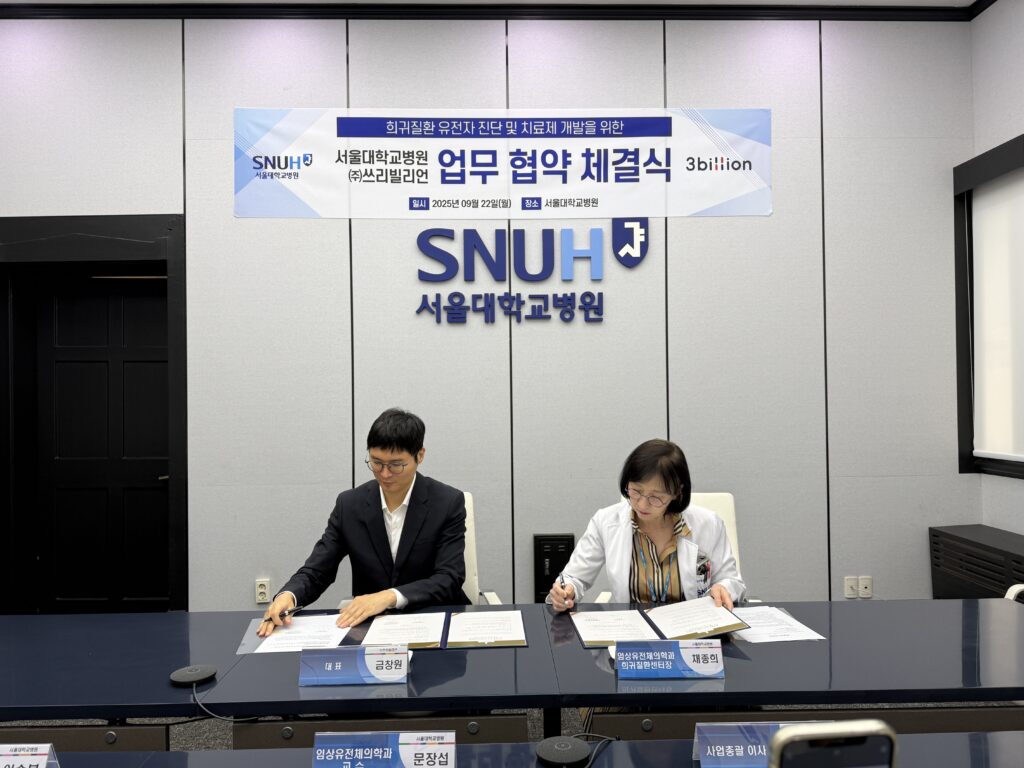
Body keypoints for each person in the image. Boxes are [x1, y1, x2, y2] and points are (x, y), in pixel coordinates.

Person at [258, 408, 469, 637]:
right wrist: (289, 595)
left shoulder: (447, 502)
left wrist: (389, 596)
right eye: (376, 463)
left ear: (420, 456)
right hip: (371, 628)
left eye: (396, 465)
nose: (385, 474)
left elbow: (449, 577)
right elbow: (318, 570)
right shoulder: (349, 505)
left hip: (434, 622)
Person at [548, 438, 745, 611]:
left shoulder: (708, 524)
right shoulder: (605, 522)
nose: (642, 504)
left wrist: (723, 588)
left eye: (655, 497)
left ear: (677, 492)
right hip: (632, 631)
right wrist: (567, 591)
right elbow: (575, 577)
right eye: (636, 491)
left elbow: (732, 581)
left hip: (691, 631)